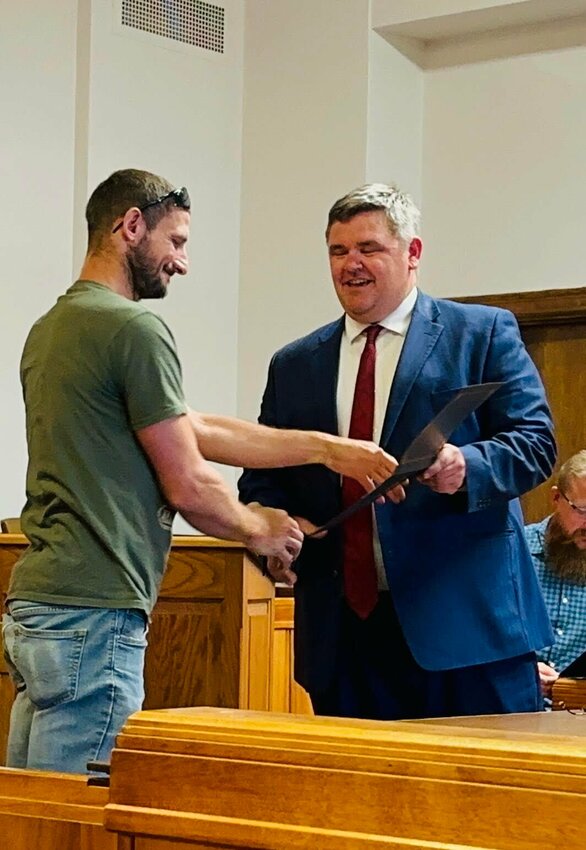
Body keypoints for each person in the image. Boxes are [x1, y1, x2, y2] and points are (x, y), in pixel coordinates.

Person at [2, 169, 400, 774]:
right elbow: (188, 480)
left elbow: (193, 426)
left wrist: (328, 449)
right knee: (80, 813)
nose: (181, 263)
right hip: (97, 607)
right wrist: (257, 527)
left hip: (40, 604)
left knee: (33, 806)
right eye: (177, 242)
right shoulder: (134, 328)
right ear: (131, 226)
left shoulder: (53, 328)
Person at [239, 182, 557, 721]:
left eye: (369, 249)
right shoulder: (294, 364)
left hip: (467, 633)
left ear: (412, 253)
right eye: (338, 252)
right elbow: (264, 475)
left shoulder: (479, 333)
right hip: (344, 636)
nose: (351, 265)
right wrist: (273, 517)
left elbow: (535, 443)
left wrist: (468, 466)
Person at [524, 450, 586, 696]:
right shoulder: (515, 554)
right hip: (512, 710)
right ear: (556, 497)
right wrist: (518, 670)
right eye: (582, 510)